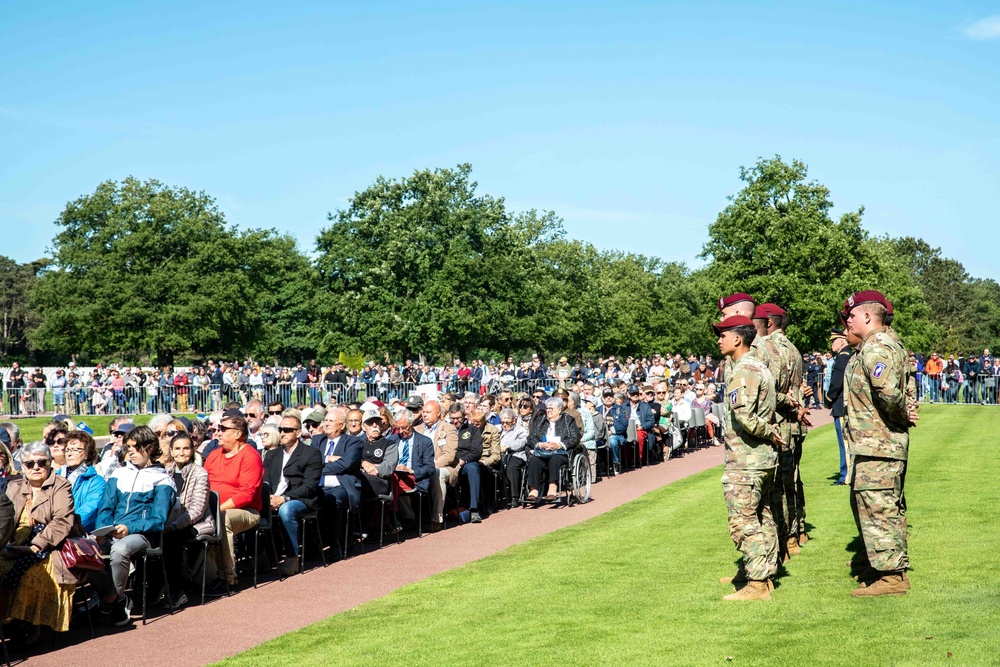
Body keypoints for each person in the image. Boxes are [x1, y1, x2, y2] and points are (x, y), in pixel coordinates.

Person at [841, 291, 913, 596]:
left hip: (878, 444)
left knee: (879, 508)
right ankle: (879, 566)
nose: (848, 321)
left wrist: (901, 415)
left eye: (852, 316)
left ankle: (892, 578)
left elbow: (889, 393)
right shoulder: (878, 345)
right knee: (876, 506)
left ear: (868, 316)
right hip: (874, 444)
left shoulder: (877, 347)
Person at [713, 315, 783, 601]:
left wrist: (769, 431)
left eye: (723, 335)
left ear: (737, 339)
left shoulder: (742, 371)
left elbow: (744, 416)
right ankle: (763, 575)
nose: (719, 340)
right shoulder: (759, 366)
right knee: (763, 516)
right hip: (761, 459)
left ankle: (756, 584)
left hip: (747, 459)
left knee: (744, 522)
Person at [91, 426, 176, 625]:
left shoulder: (162, 479)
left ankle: (110, 600)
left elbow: (159, 519)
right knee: (84, 550)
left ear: (150, 448)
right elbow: (105, 507)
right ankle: (117, 600)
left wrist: (129, 528)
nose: (130, 451)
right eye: (128, 447)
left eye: (136, 447)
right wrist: (102, 530)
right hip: (113, 531)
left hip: (143, 535)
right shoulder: (119, 474)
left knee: (120, 549)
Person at [0, 442, 68, 640]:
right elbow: (5, 520)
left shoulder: (61, 485)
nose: (36, 467)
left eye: (41, 462)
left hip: (48, 546)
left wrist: (34, 546)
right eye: (30, 464)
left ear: (49, 464)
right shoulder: (14, 486)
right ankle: (6, 623)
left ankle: (28, 627)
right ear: (22, 466)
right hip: (13, 544)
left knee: (30, 576)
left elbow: (62, 522)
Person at [203, 413, 263, 592]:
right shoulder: (214, 455)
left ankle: (228, 578)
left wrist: (217, 509)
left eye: (222, 429)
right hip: (212, 509)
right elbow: (203, 484)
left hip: (247, 511)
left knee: (223, 518)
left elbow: (247, 494)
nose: (218, 433)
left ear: (238, 434)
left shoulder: (250, 456)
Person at [263, 415, 322, 577]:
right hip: (273, 498)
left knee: (286, 510)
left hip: (301, 500)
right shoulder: (271, 455)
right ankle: (259, 557)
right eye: (280, 429)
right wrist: (269, 497)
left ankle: (291, 557)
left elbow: (309, 486)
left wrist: (284, 498)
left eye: (287, 430)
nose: (282, 433)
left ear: (298, 433)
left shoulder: (312, 454)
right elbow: (265, 481)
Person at [161, 433, 212, 608]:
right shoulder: (165, 472)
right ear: (171, 451)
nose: (181, 452)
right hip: (168, 522)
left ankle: (177, 592)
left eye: (186, 448)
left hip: (195, 523)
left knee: (170, 539)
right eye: (177, 448)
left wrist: (173, 526)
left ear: (192, 451)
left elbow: (196, 510)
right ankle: (155, 590)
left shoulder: (200, 473)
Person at [314, 407, 363, 556]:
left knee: (333, 500)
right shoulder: (317, 440)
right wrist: (326, 459)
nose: (326, 424)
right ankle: (312, 545)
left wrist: (319, 465)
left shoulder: (353, 442)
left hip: (341, 485)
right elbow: (309, 463)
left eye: (331, 421)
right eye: (326, 420)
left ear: (342, 425)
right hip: (317, 485)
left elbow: (346, 464)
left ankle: (336, 543)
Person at [524, 397, 580, 504]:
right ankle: (533, 491)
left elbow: (575, 437)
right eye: (547, 408)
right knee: (534, 460)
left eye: (551, 409)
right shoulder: (540, 420)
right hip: (542, 451)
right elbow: (531, 437)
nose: (548, 411)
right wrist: (540, 444)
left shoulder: (568, 420)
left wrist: (559, 445)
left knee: (555, 460)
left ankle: (552, 489)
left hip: (560, 452)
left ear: (559, 410)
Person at [416, 400, 458, 532]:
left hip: (444, 467)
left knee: (436, 474)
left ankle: (437, 519)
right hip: (420, 467)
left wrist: (430, 466)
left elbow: (449, 456)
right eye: (423, 412)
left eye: (428, 412)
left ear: (438, 414)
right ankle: (409, 519)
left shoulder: (449, 429)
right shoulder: (417, 429)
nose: (424, 415)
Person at [390, 408, 435, 528]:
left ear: (411, 424)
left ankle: (394, 519)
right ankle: (398, 519)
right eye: (398, 428)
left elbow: (430, 468)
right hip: (393, 475)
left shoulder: (425, 441)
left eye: (404, 427)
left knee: (391, 482)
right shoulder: (392, 440)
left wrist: (411, 470)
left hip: (413, 476)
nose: (401, 431)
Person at [59, 430, 106, 532]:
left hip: (78, 532)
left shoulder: (96, 482)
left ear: (87, 454)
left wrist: (64, 527)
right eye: (67, 450)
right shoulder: (55, 476)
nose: (70, 454)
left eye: (76, 450)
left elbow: (88, 511)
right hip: (52, 529)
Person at [446, 404, 484, 523]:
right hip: (449, 462)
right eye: (452, 418)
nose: (455, 421)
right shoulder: (445, 430)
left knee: (473, 469)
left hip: (466, 462)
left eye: (458, 418)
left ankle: (474, 510)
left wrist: (464, 460)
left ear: (464, 416)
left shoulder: (473, 430)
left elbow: (477, 452)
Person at [825, 328, 852, 485]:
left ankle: (846, 475)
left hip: (841, 405)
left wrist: (828, 400)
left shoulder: (843, 358)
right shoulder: (845, 356)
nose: (831, 344)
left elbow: (836, 383)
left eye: (833, 341)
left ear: (842, 340)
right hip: (842, 404)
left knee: (845, 442)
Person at [497, 408, 528, 501]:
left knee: (512, 467)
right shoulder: (498, 429)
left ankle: (514, 496)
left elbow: (522, 442)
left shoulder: (521, 430)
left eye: (507, 422)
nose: (505, 425)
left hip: (516, 454)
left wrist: (508, 446)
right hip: (500, 454)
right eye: (503, 422)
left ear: (514, 420)